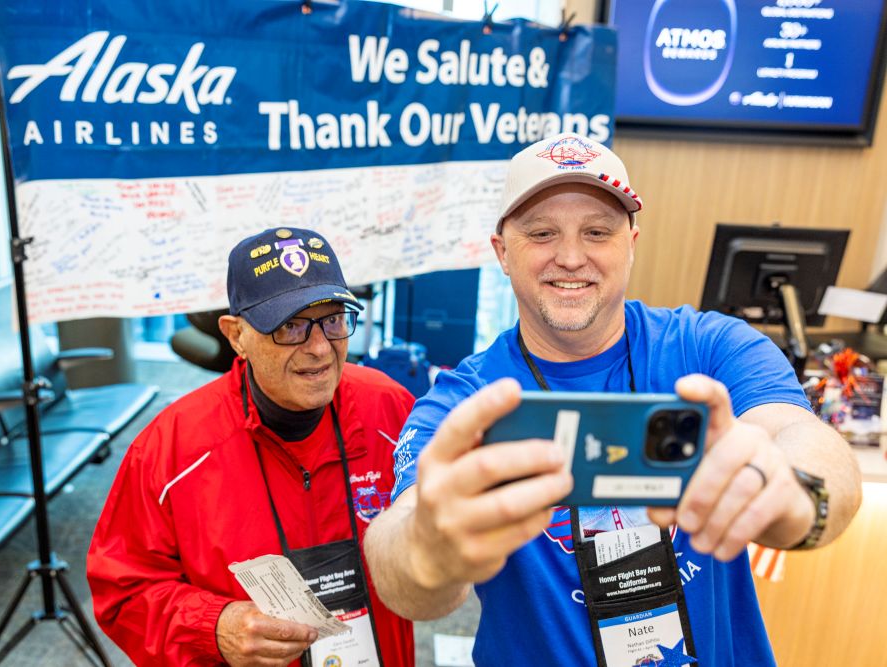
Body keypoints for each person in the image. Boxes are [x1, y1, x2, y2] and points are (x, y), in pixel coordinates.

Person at [364, 132, 862, 666]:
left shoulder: (710, 348)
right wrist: (429, 550)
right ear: (502, 252)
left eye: (597, 231)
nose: (572, 257)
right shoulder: (465, 404)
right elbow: (400, 552)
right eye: (542, 233)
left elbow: (803, 438)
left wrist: (792, 494)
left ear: (631, 243)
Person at [88, 227, 415, 666]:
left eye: (333, 320)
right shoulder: (170, 450)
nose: (319, 348)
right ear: (236, 334)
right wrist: (213, 625)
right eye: (290, 327)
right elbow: (122, 591)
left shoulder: (392, 411)